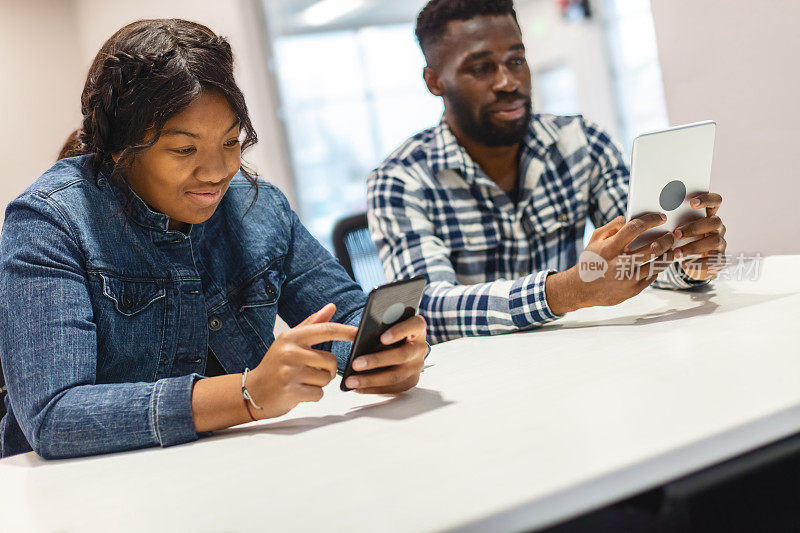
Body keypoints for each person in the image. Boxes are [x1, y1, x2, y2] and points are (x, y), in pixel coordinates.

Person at [0, 19, 427, 459]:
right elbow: (55, 418)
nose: (218, 171)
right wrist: (247, 394)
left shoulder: (257, 208)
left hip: (230, 472)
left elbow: (349, 316)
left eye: (230, 142)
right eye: (185, 150)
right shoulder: (49, 223)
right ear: (117, 147)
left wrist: (382, 354)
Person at [367, 0, 727, 344]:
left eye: (517, 60)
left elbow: (637, 253)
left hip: (571, 363)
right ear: (434, 81)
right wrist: (568, 290)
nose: (508, 82)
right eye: (481, 68)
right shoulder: (399, 181)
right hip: (475, 385)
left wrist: (688, 262)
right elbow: (426, 310)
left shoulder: (581, 141)